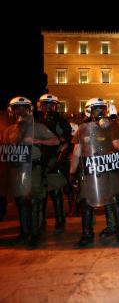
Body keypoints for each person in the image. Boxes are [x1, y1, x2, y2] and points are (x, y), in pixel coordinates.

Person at [70, 98, 119, 248]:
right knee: (87, 203)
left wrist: (109, 132)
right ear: (88, 111)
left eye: (101, 109)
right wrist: (72, 172)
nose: (99, 112)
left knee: (115, 200)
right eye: (96, 109)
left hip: (109, 168)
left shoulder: (112, 127)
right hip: (91, 170)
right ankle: (87, 235)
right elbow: (77, 152)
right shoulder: (82, 129)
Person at [1, 96, 59, 249]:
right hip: (17, 169)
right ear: (12, 111)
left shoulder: (37, 127)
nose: (20, 111)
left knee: (34, 201)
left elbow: (55, 141)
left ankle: (35, 234)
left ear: (29, 110)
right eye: (17, 108)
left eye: (23, 108)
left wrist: (36, 141)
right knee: (21, 202)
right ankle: (24, 233)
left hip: (33, 168)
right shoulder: (8, 131)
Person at [37, 94, 72, 234]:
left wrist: (62, 152)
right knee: (41, 194)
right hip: (40, 161)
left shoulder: (62, 122)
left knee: (56, 192)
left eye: (51, 104)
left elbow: (67, 142)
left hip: (55, 161)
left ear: (56, 106)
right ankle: (40, 222)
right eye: (46, 104)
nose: (48, 107)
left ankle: (60, 221)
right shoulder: (38, 121)